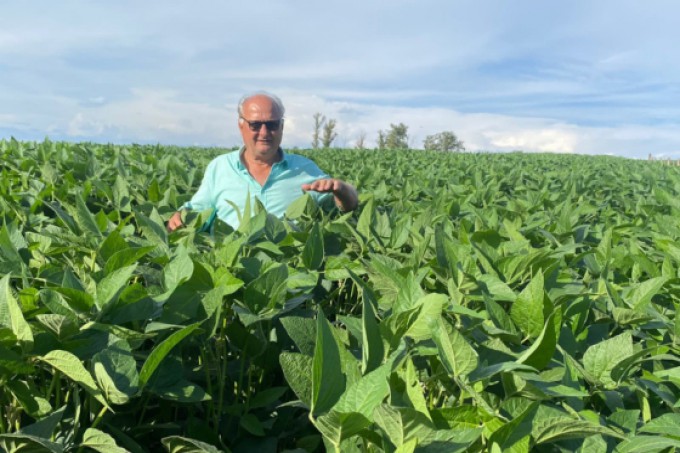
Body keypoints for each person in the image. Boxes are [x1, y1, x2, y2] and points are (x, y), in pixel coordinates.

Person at [167, 92, 358, 231]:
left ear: (282, 127)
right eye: (255, 125)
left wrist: (342, 189)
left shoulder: (304, 169)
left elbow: (346, 209)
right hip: (231, 266)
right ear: (241, 125)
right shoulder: (220, 167)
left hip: (289, 271)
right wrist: (179, 216)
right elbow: (198, 209)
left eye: (272, 124)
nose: (264, 133)